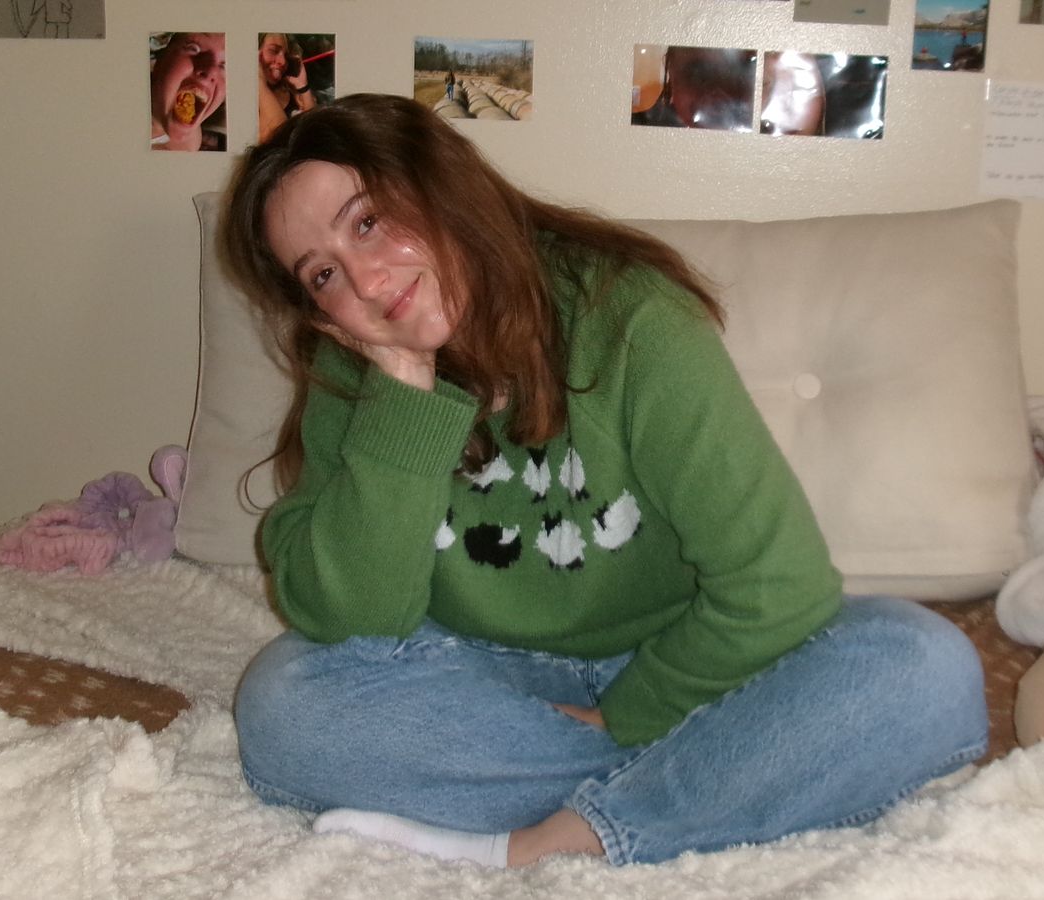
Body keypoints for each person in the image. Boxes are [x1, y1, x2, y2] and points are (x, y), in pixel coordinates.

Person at [225, 93, 988, 869]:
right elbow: (357, 619)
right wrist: (403, 397)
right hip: (482, 680)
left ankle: (562, 838)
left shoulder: (633, 321)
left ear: (439, 183)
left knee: (925, 668)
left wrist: (628, 714)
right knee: (284, 706)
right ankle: (717, 780)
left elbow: (780, 586)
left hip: (682, 662)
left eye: (367, 221)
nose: (364, 281)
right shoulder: (355, 369)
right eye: (323, 274)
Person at [150, 32, 227, 151]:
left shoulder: (189, 145)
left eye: (224, 65)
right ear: (159, 62)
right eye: (193, 48)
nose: (211, 71)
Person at [258, 33, 317, 144]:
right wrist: (258, 80)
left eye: (286, 55)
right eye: (273, 51)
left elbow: (316, 130)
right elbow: (277, 139)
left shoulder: (291, 92)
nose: (283, 61)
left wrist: (303, 86)